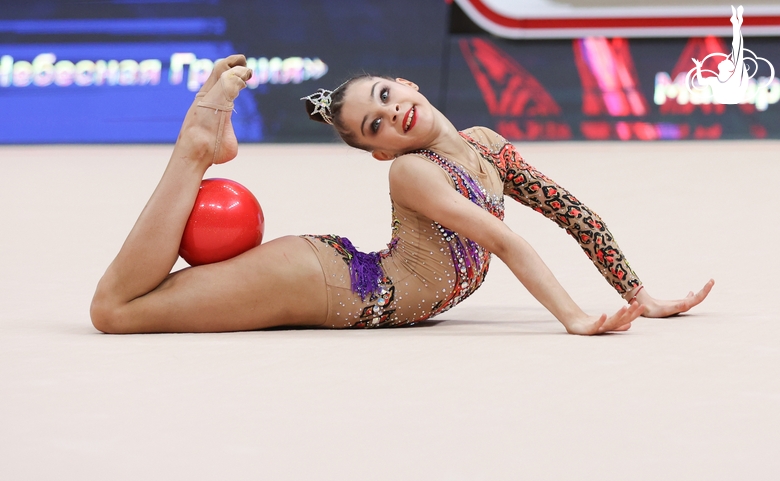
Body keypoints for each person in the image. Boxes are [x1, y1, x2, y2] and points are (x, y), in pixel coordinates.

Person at [90, 55, 713, 336]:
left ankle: (202, 148)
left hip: (347, 280)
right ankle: (196, 146)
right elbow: (502, 238)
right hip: (330, 284)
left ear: (406, 82)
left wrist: (640, 295)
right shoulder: (412, 172)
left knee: (128, 308)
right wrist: (574, 318)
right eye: (375, 126)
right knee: (116, 312)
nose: (393, 115)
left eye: (387, 96)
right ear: (381, 152)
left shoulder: (487, 146)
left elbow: (575, 215)